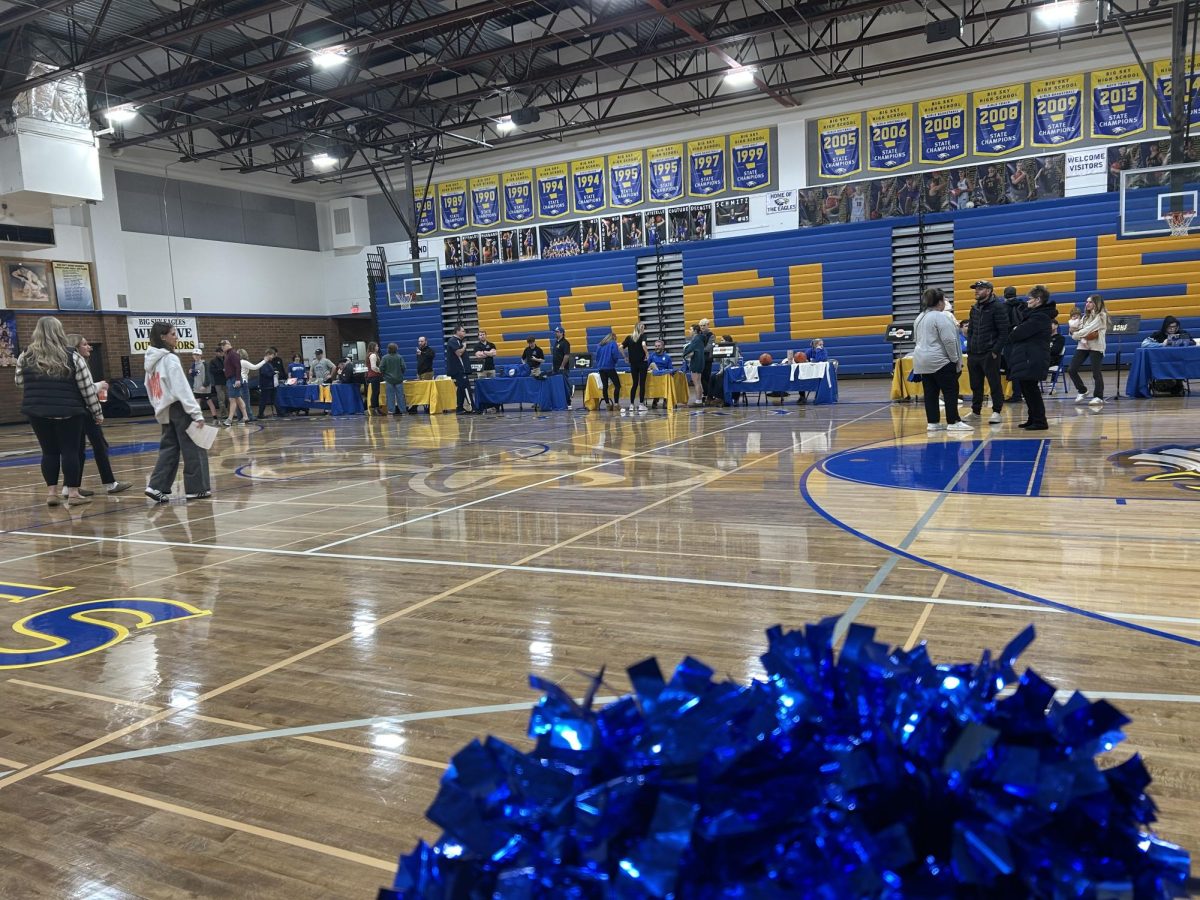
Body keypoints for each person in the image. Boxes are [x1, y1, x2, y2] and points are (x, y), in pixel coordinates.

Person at [14, 316, 102, 507]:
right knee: (70, 451)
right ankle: (72, 493)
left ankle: (51, 493)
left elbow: (19, 382)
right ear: (59, 331)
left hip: (36, 411)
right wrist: (97, 412)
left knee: (49, 451)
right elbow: (86, 388)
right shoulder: (72, 355)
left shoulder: (25, 355)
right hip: (68, 410)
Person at [144, 322, 211, 502]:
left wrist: (158, 406)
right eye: (173, 334)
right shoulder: (169, 359)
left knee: (169, 449)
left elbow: (148, 388)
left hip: (164, 408)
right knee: (195, 447)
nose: (177, 337)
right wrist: (196, 413)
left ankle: (156, 486)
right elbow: (182, 388)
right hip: (179, 408)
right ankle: (197, 488)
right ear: (163, 337)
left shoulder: (150, 362)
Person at [912, 289, 971, 434]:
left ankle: (933, 422)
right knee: (950, 391)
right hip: (940, 361)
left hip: (922, 361)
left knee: (930, 393)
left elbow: (916, 339)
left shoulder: (919, 317)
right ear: (939, 302)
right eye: (944, 299)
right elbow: (949, 340)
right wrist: (954, 359)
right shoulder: (941, 317)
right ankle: (954, 421)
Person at [1006, 285, 1058, 432]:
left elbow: (1016, 334)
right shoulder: (1034, 315)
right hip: (1028, 356)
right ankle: (1033, 418)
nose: (1027, 302)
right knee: (1027, 389)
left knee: (1031, 389)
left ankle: (1040, 421)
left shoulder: (1039, 317)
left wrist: (1016, 329)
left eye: (1030, 299)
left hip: (1032, 358)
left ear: (1038, 300)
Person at [965, 279, 1011, 424]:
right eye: (975, 289)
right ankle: (975, 411)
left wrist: (995, 351)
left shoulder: (998, 307)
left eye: (980, 289)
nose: (976, 291)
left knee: (994, 383)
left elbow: (1004, 332)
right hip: (974, 353)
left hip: (989, 353)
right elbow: (970, 330)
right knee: (975, 384)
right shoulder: (974, 308)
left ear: (989, 290)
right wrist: (970, 349)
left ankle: (997, 411)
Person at [1068, 294, 1108, 406]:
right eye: (1086, 302)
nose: (1087, 304)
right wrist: (1073, 331)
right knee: (1071, 369)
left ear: (1096, 303)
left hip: (1096, 346)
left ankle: (1098, 396)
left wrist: (1076, 335)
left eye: (1090, 302)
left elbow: (1088, 329)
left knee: (1096, 372)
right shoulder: (1085, 316)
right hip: (1083, 345)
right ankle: (1082, 390)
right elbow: (1077, 329)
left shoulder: (1101, 315)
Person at [1001, 286, 1025, 403]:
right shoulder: (1023, 305)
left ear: (1005, 295)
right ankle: (1021, 393)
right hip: (1022, 340)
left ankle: (1016, 394)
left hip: (1009, 341)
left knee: (1012, 368)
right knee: (1021, 367)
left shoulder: (1003, 307)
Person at [622, 322, 649, 413]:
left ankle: (631, 405)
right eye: (643, 328)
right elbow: (643, 345)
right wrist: (647, 353)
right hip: (642, 363)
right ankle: (641, 404)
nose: (644, 330)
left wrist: (625, 357)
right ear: (641, 329)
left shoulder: (629, 338)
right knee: (642, 384)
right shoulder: (643, 336)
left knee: (634, 384)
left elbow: (620, 347)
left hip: (633, 364)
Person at [446, 326, 473, 413]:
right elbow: (459, 353)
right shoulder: (453, 340)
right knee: (466, 388)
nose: (464, 333)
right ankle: (473, 407)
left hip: (460, 370)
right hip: (459, 371)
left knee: (461, 389)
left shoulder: (458, 341)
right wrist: (464, 347)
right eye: (463, 331)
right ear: (457, 332)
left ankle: (459, 408)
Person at [189, 347, 219, 423]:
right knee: (197, 403)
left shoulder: (205, 364)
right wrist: (191, 373)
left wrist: (205, 385)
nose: (196, 356)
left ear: (200, 355)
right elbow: (195, 375)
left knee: (209, 402)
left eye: (198, 355)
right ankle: (198, 418)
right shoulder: (193, 364)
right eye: (194, 355)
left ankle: (215, 418)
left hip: (205, 388)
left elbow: (208, 376)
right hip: (196, 387)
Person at [222, 341, 248, 426]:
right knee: (238, 398)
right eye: (222, 345)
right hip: (231, 379)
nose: (223, 347)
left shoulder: (232, 354)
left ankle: (229, 419)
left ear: (229, 345)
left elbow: (238, 367)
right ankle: (245, 416)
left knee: (232, 399)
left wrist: (237, 379)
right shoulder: (228, 355)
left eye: (224, 345)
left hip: (234, 379)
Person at [594, 330, 622, 411]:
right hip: (609, 367)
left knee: (605, 386)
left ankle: (607, 404)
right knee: (617, 385)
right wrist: (614, 361)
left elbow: (597, 357)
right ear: (613, 337)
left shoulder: (600, 345)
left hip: (601, 368)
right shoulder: (613, 343)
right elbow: (615, 355)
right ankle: (616, 404)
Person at [380, 342, 407, 415]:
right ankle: (403, 410)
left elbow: (381, 368)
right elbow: (404, 367)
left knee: (390, 396)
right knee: (400, 396)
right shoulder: (399, 357)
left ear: (388, 349)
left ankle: (391, 411)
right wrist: (400, 373)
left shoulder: (385, 357)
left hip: (389, 380)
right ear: (396, 349)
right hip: (399, 379)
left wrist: (384, 375)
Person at [682, 324, 705, 406]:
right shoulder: (700, 338)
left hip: (696, 362)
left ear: (695, 331)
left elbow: (690, 349)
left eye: (690, 329)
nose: (689, 331)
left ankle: (698, 401)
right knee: (699, 382)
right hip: (700, 361)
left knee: (696, 382)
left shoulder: (696, 339)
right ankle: (700, 400)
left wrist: (684, 354)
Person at [647, 339, 673, 410]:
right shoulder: (651, 356)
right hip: (654, 378)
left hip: (664, 377)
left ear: (663, 347)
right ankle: (655, 399)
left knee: (667, 378)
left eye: (659, 346)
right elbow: (646, 367)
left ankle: (665, 400)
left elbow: (670, 369)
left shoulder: (667, 357)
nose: (657, 347)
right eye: (655, 346)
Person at [551, 325, 572, 409]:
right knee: (557, 386)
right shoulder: (556, 342)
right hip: (555, 368)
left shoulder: (565, 343)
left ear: (562, 333)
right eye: (555, 332)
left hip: (563, 369)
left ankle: (568, 403)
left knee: (565, 386)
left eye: (557, 332)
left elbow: (566, 355)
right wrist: (553, 366)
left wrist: (562, 366)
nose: (556, 333)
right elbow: (555, 356)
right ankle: (560, 403)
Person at [257, 349, 278, 419]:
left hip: (269, 384)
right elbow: (265, 373)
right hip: (265, 385)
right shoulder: (263, 362)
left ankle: (280, 412)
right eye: (272, 355)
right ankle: (260, 414)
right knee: (263, 400)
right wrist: (274, 373)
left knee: (272, 399)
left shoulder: (268, 363)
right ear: (268, 354)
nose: (272, 357)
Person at [698, 318, 716, 403]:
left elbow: (709, 347)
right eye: (701, 326)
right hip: (700, 358)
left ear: (708, 325)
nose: (702, 327)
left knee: (706, 377)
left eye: (704, 325)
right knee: (700, 377)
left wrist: (699, 349)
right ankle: (706, 394)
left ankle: (709, 394)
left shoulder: (711, 335)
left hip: (708, 359)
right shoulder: (699, 334)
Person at [209, 344, 228, 420]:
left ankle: (231, 413)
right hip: (218, 383)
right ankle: (224, 414)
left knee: (230, 398)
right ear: (217, 353)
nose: (221, 353)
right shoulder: (213, 361)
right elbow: (212, 371)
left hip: (227, 381)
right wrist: (221, 370)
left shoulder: (226, 359)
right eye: (220, 352)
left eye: (222, 352)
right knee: (221, 399)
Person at [364, 341, 383, 415]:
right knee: (375, 393)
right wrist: (380, 371)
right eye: (377, 346)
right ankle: (374, 408)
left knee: (376, 392)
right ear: (373, 347)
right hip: (374, 376)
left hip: (371, 376)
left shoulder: (369, 355)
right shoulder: (373, 355)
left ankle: (376, 408)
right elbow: (373, 367)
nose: (378, 347)